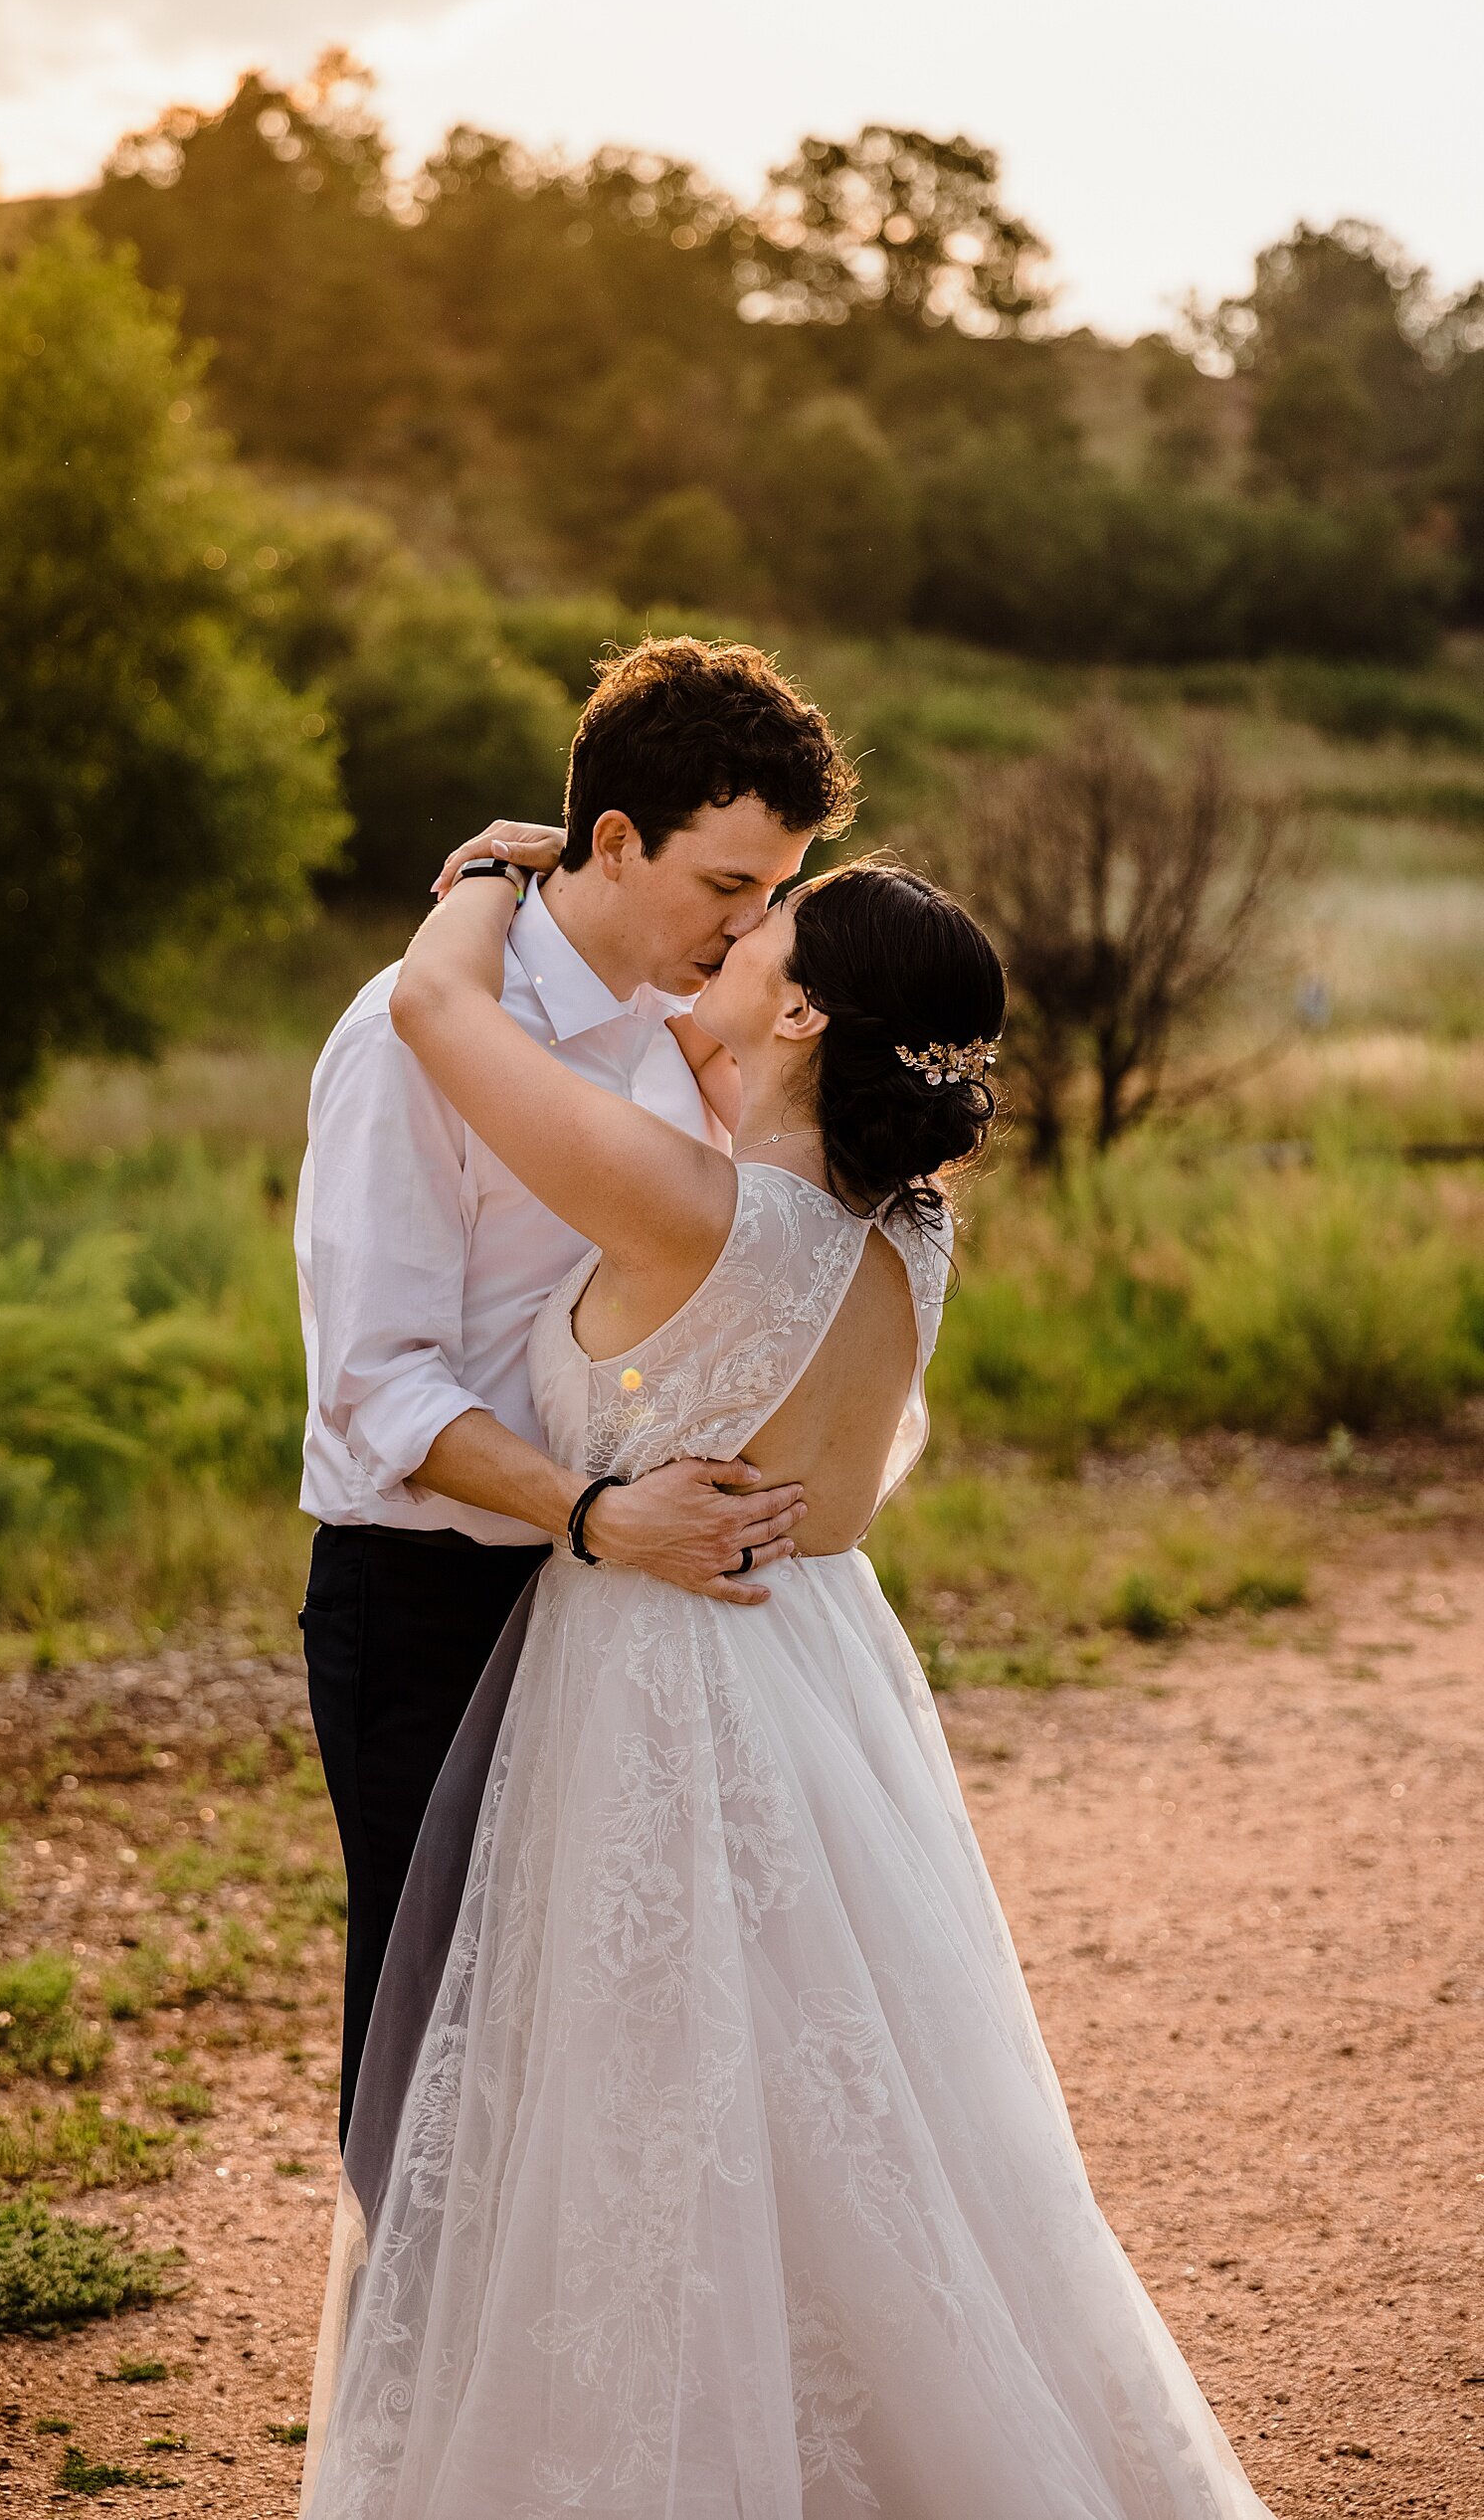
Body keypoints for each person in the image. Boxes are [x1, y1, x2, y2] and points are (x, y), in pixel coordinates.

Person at [298, 849, 1276, 2520]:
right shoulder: (910, 1228)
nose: (737, 932)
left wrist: (476, 877)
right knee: (852, 2095)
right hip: (826, 1669)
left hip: (654, 1669)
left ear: (811, 1003)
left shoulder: (690, 1210)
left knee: (644, 2103)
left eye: (763, 927)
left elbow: (443, 1012)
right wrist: (714, 1034)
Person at [294, 637, 857, 2142]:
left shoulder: (686, 1042)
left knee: (605, 2047)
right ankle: (402, 2388)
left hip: (615, 1607)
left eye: (775, 893)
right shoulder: (404, 1041)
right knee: (434, 2046)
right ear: (614, 840)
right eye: (729, 885)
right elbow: (374, 1388)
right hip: (427, 1599)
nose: (755, 926)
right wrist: (600, 1514)